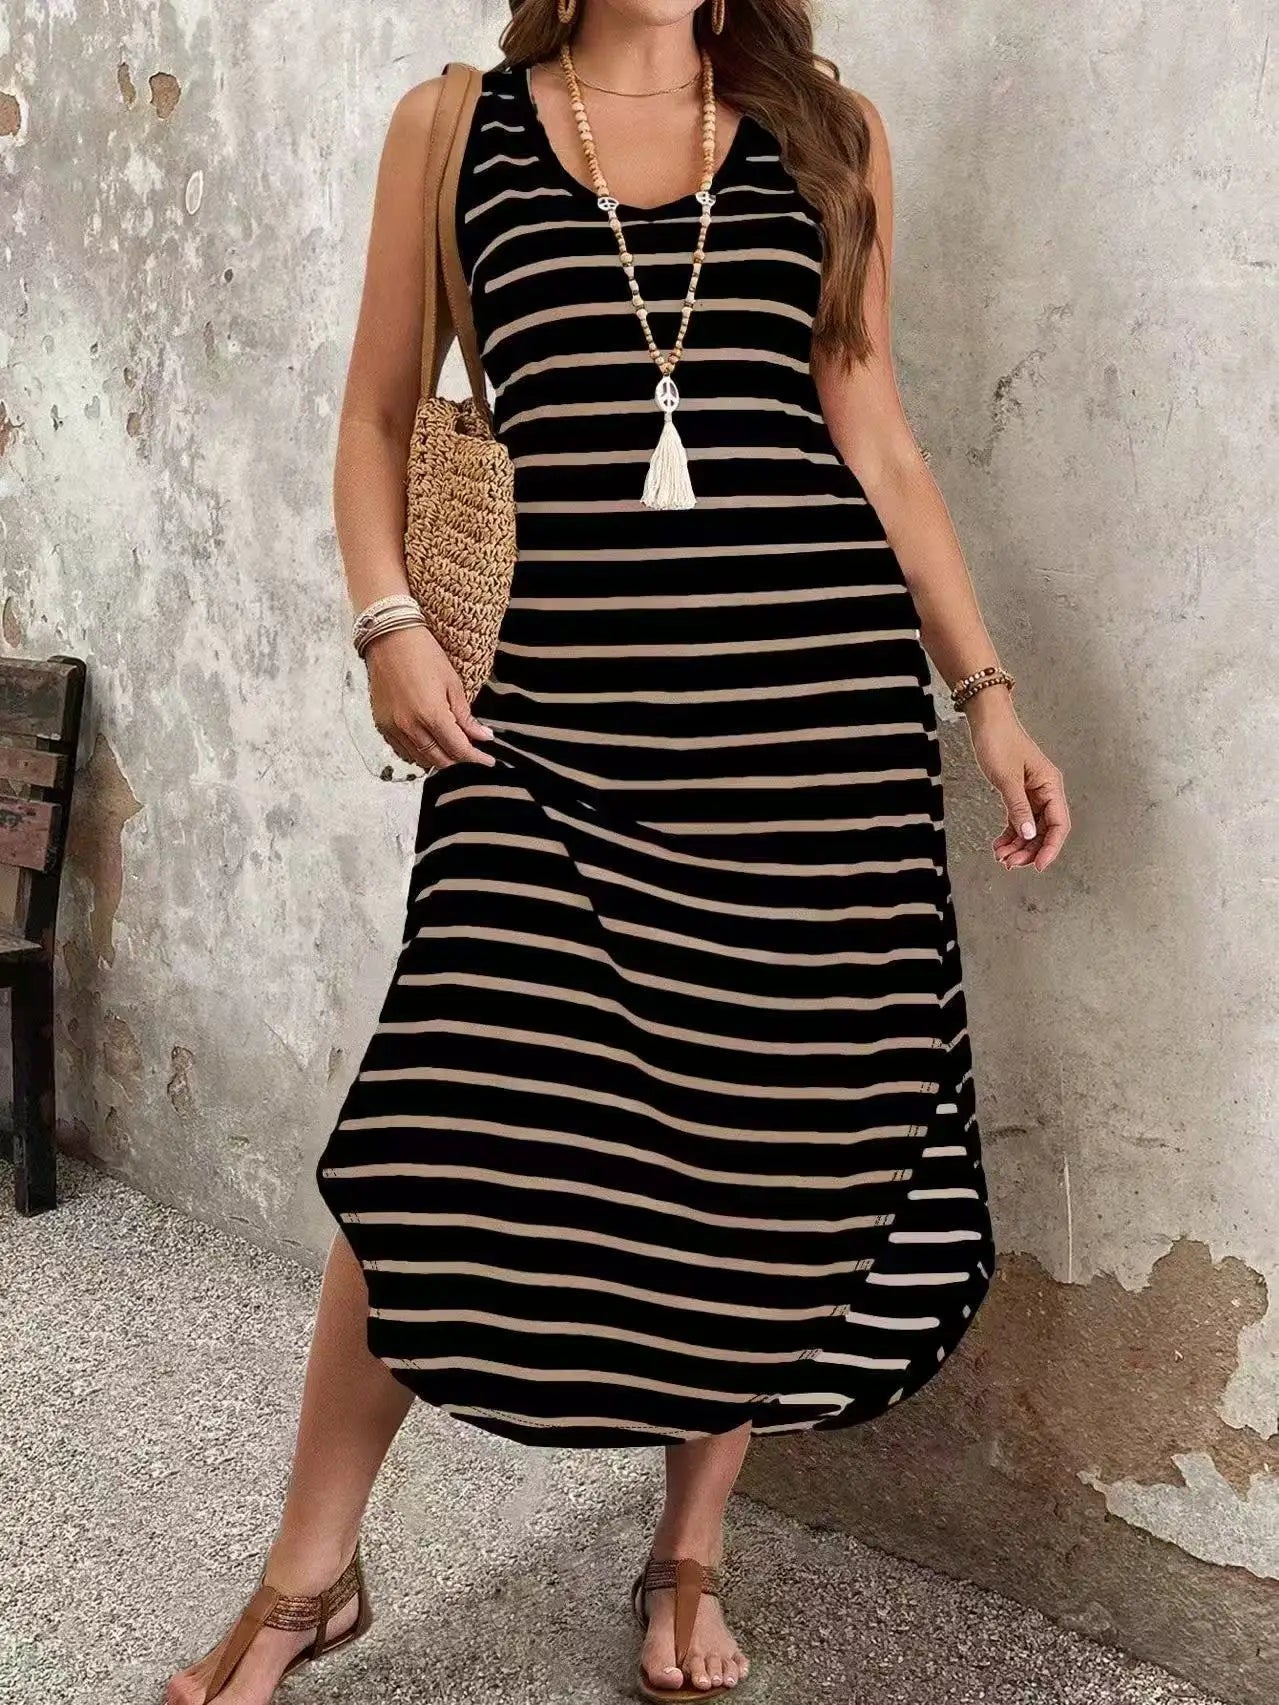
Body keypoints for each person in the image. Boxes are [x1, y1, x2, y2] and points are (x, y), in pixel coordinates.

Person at [167, 1, 1070, 1700]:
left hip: (810, 736)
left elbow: (872, 428)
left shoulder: (829, 131)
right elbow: (375, 415)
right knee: (431, 1128)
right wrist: (384, 624)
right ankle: (308, 1573)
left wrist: (987, 693)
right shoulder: (458, 127)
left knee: (763, 1143)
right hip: (549, 726)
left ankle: (687, 1547)